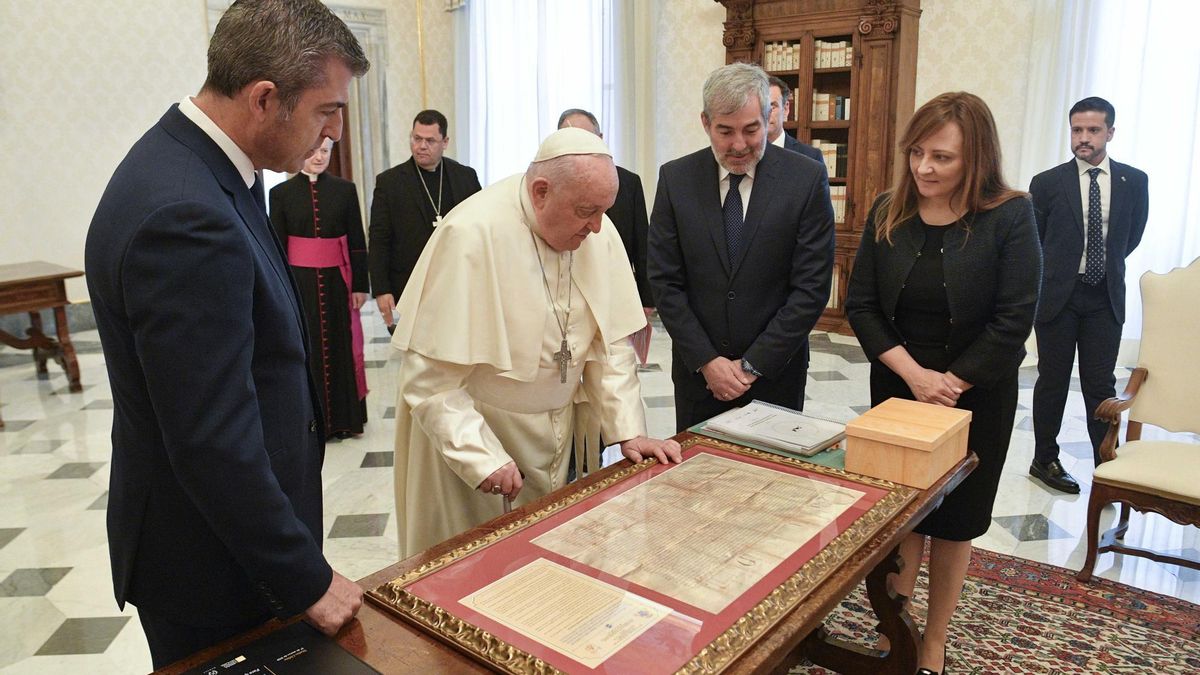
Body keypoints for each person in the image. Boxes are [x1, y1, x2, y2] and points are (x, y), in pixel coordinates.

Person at [83, 0, 369, 667]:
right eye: (327, 110)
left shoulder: (196, 165)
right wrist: (306, 576)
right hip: (214, 564)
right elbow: (211, 439)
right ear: (267, 98)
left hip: (227, 542)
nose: (331, 130)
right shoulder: (186, 213)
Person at [390, 128, 682, 558]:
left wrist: (628, 431)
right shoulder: (472, 234)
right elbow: (429, 383)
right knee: (474, 568)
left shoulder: (596, 232)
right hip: (477, 439)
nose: (598, 227)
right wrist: (481, 457)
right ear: (541, 191)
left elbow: (609, 347)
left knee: (540, 564)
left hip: (556, 432)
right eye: (587, 211)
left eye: (604, 211)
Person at [845, 91, 1041, 674]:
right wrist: (914, 377)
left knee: (955, 523)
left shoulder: (1010, 215)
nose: (924, 169)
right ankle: (895, 626)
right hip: (899, 387)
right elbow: (861, 307)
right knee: (900, 516)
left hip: (977, 392)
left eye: (943, 158)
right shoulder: (888, 210)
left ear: (975, 159)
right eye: (917, 153)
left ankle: (934, 638)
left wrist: (950, 383)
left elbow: (1015, 318)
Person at [648, 62, 834, 430]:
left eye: (751, 130)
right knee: (696, 480)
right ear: (705, 123)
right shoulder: (676, 179)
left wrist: (751, 365)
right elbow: (665, 280)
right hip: (699, 376)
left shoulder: (805, 178)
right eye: (724, 131)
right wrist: (707, 360)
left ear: (769, 118)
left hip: (776, 373)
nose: (738, 145)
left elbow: (811, 288)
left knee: (772, 481)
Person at [1029, 96, 1149, 493]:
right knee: (1053, 380)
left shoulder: (1135, 181)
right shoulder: (1047, 183)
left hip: (1104, 299)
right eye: (1077, 130)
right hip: (1058, 298)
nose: (1084, 138)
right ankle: (1044, 459)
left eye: (1093, 130)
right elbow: (1038, 240)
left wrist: (1098, 266)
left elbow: (1130, 238)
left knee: (1100, 386)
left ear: (1110, 133)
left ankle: (1106, 464)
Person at [270, 138, 369, 439]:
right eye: (313, 151)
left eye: (324, 151)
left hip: (338, 284)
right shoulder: (281, 193)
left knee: (340, 345)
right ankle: (312, 421)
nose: (318, 157)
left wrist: (361, 285)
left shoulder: (344, 190)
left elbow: (356, 242)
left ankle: (343, 419)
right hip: (300, 284)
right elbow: (276, 245)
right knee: (307, 348)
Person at [368, 110, 482, 332]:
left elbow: (479, 230)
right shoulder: (390, 183)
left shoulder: (465, 177)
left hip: (457, 283)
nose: (421, 146)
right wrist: (382, 289)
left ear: (445, 142)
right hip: (409, 284)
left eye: (430, 140)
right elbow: (379, 239)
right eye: (416, 138)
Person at [557, 108, 654, 309]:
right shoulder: (550, 185)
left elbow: (641, 244)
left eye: (586, 138)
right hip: (565, 294)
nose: (580, 147)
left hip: (617, 291)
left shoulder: (628, 183)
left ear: (600, 138)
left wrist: (646, 301)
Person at [766, 75, 823, 164]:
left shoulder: (810, 157)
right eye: (760, 107)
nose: (765, 113)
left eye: (772, 107)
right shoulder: (742, 154)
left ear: (785, 109)